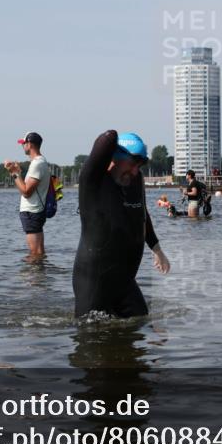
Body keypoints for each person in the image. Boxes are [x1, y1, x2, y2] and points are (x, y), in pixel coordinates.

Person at [72, 130, 170, 318]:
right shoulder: (93, 180)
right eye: (133, 164)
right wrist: (117, 139)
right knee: (90, 334)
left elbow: (142, 214)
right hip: (94, 280)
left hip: (124, 280)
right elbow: (106, 139)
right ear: (115, 156)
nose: (135, 171)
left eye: (139, 166)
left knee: (140, 323)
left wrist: (156, 249)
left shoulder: (136, 180)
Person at [4, 132, 50, 260]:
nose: (23, 146)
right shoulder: (39, 162)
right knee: (39, 251)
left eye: (23, 144)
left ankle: (33, 279)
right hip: (35, 211)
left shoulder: (37, 164)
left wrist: (13, 173)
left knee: (35, 253)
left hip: (32, 212)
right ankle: (39, 278)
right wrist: (18, 173)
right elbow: (28, 187)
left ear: (29, 144)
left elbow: (26, 191)